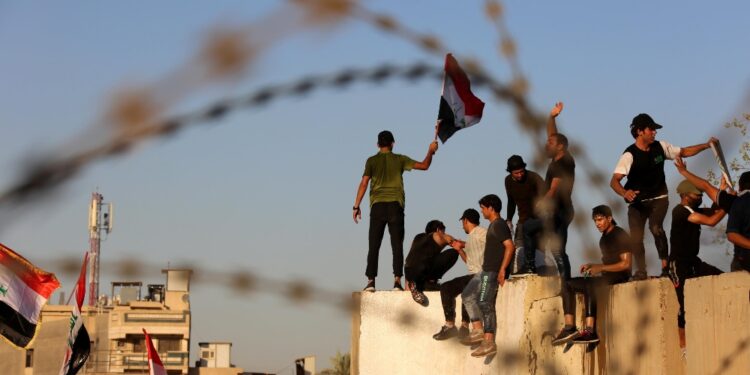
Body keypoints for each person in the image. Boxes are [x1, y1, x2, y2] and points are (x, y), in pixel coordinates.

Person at [610, 113, 716, 279]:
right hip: (637, 202)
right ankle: (641, 271)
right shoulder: (629, 155)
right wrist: (625, 192)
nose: (654, 132)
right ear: (640, 131)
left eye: (655, 130)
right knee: (636, 236)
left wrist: (707, 145)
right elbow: (614, 181)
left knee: (656, 227)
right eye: (651, 129)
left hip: (659, 198)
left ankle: (665, 267)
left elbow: (684, 152)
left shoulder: (661, 147)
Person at [353, 128, 439, 292]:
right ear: (393, 144)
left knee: (374, 245)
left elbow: (364, 183)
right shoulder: (400, 159)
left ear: (378, 144)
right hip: (395, 206)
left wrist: (356, 206)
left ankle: (371, 281)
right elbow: (424, 165)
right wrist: (430, 151)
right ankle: (397, 282)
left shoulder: (371, 161)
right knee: (397, 245)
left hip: (377, 206)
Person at [552, 205, 632, 346]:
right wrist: (592, 266)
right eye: (595, 221)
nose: (597, 224)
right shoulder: (603, 238)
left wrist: (600, 267)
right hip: (607, 276)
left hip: (620, 277)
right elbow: (607, 264)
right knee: (567, 284)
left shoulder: (619, 234)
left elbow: (626, 264)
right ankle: (569, 328)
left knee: (590, 284)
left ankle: (590, 331)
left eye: (600, 220)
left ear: (610, 218)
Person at [667, 179, 725, 350]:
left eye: (701, 194)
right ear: (685, 196)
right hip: (678, 264)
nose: (700, 197)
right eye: (697, 194)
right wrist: (728, 205)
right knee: (684, 303)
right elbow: (712, 220)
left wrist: (722, 194)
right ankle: (683, 344)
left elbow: (714, 210)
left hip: (693, 261)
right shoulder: (680, 212)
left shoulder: (692, 209)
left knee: (721, 277)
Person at [522, 102, 575, 279]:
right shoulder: (558, 157)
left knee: (528, 227)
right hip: (564, 211)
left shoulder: (562, 163)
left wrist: (542, 202)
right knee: (558, 251)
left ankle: (530, 268)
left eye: (550, 143)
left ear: (560, 146)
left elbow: (554, 188)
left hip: (558, 211)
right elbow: (552, 133)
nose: (546, 145)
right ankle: (566, 284)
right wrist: (551, 116)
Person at [460, 194, 515, 357]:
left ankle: (489, 341)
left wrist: (503, 269)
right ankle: (477, 330)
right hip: (485, 270)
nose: (482, 212)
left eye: (483, 208)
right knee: (467, 295)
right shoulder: (492, 225)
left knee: (485, 302)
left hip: (492, 271)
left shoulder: (498, 225)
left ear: (491, 208)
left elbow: (509, 246)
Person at [432, 209, 487, 341]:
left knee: (450, 288)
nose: (462, 226)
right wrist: (460, 249)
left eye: (463, 222)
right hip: (474, 275)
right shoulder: (473, 237)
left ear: (466, 220)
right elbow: (469, 260)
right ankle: (461, 327)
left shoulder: (481, 233)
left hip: (481, 275)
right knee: (449, 287)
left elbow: (489, 245)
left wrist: (463, 244)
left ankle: (457, 325)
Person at [503, 155, 545, 275]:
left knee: (539, 252)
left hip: (538, 219)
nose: (520, 175)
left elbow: (548, 196)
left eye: (522, 172)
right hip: (522, 220)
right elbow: (510, 201)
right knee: (519, 249)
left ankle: (540, 273)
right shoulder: (508, 181)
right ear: (511, 172)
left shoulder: (533, 177)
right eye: (516, 173)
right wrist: (509, 218)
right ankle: (522, 273)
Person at [404, 220, 461, 306]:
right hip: (422, 269)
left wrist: (407, 283)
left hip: (409, 272)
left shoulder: (417, 237)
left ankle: (417, 284)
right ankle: (430, 282)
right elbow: (454, 242)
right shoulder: (437, 235)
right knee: (453, 253)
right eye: (443, 231)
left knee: (422, 261)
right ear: (438, 230)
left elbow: (410, 259)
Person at [726, 171, 750, 272]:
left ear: (740, 187)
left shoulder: (739, 202)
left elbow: (732, 234)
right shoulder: (740, 202)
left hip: (743, 263)